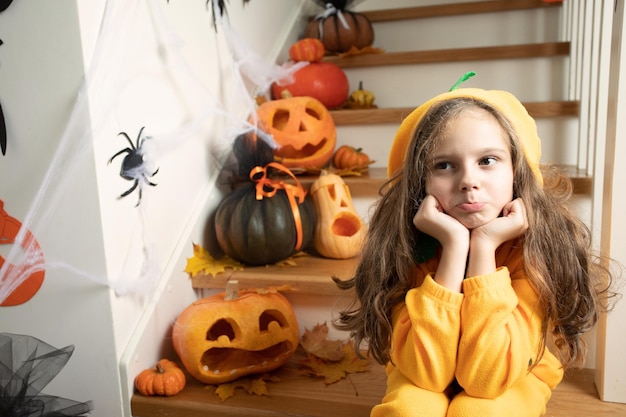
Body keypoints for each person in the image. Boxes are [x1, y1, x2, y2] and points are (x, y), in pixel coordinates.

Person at [333, 81, 615, 416]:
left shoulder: (534, 254)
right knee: (409, 409)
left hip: (513, 374)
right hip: (423, 369)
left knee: (478, 411)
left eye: (487, 160)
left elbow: (486, 379)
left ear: (517, 172)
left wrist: (483, 246)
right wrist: (453, 248)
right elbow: (427, 374)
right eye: (444, 165)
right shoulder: (409, 250)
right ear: (420, 182)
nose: (468, 180)